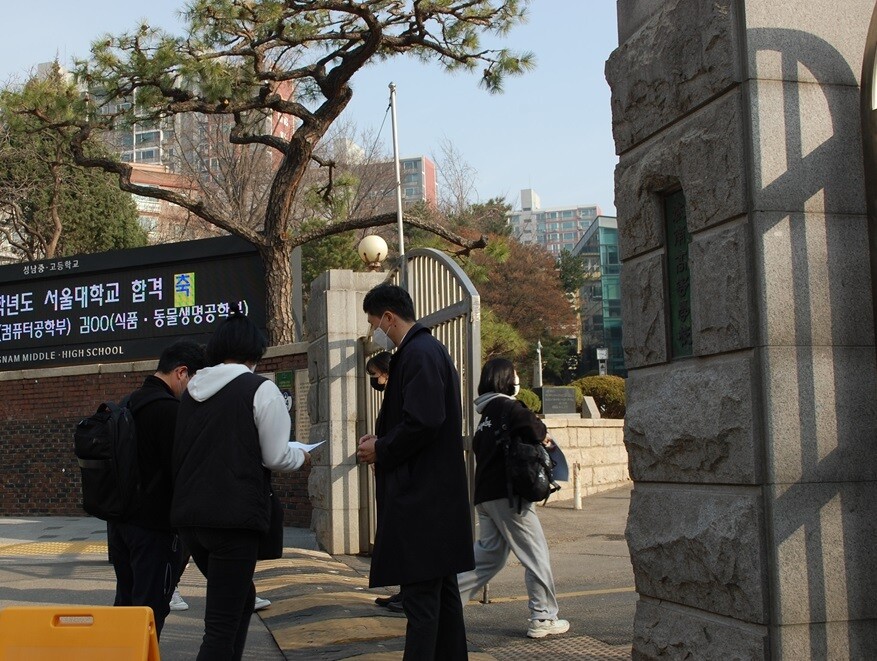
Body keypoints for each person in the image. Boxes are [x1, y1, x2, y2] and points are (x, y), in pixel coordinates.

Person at [171, 310, 311, 660]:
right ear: (255, 351)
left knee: (242, 600)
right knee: (220, 627)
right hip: (233, 520)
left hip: (191, 519)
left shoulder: (191, 392)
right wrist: (302, 457)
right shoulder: (259, 389)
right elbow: (276, 456)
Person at [356, 284, 474, 660]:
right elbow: (420, 419)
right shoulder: (423, 350)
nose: (375, 331)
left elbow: (424, 420)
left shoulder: (418, 353)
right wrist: (384, 439)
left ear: (389, 317)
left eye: (374, 322)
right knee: (444, 602)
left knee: (421, 605)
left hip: (422, 502)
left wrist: (382, 447)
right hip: (434, 499)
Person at [456, 358, 570, 639]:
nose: (517, 380)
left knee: (490, 556)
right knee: (535, 553)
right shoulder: (510, 407)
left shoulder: (485, 415)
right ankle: (543, 617)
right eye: (515, 375)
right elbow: (537, 430)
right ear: (506, 379)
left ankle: (444, 601)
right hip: (509, 498)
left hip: (484, 496)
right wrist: (545, 440)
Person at [107, 340, 207, 639]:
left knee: (126, 603)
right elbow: (184, 471)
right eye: (194, 380)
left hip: (120, 524)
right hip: (154, 530)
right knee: (150, 609)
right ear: (181, 372)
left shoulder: (127, 403)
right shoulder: (170, 411)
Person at [365, 350, 404, 613]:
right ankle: (404, 591)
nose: (374, 381)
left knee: (401, 536)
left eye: (375, 374)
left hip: (399, 476)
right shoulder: (392, 397)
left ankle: (409, 593)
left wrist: (379, 448)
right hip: (390, 472)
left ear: (387, 373)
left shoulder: (399, 397)